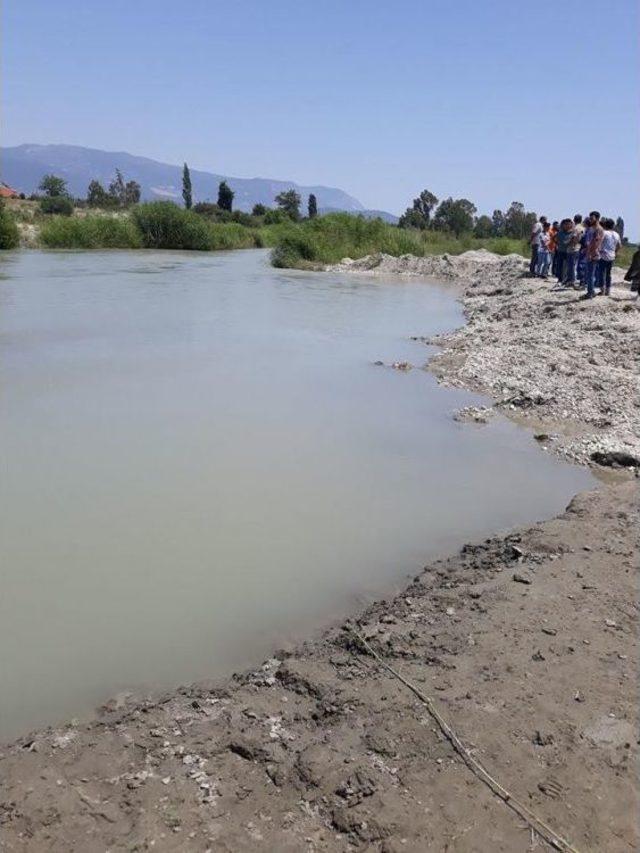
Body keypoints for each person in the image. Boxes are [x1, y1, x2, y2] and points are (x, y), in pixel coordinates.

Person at [582, 211, 604, 299]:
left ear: (597, 218)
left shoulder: (598, 229)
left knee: (590, 274)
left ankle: (590, 293)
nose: (590, 220)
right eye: (590, 218)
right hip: (588, 253)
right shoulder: (592, 228)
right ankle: (591, 291)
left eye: (592, 218)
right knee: (588, 273)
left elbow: (596, 242)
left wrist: (591, 253)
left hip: (593, 254)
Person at [597, 218, 621, 295]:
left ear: (605, 225)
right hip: (612, 255)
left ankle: (602, 290)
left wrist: (598, 250)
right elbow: (619, 245)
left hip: (603, 255)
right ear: (613, 226)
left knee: (601, 273)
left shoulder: (604, 233)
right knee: (608, 274)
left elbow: (599, 242)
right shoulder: (617, 234)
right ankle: (608, 290)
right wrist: (615, 252)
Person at [554, 218, 574, 285]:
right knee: (559, 265)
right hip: (560, 251)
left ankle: (567, 279)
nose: (567, 226)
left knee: (567, 266)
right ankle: (560, 279)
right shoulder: (560, 232)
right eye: (565, 224)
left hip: (569, 252)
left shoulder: (572, 232)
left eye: (568, 224)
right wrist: (557, 243)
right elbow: (554, 238)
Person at [571, 214, 585, 287]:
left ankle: (573, 280)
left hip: (575, 247)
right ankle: (580, 280)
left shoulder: (575, 228)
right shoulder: (583, 228)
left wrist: (572, 245)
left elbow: (574, 238)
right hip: (581, 248)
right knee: (579, 264)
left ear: (574, 219)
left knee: (573, 265)